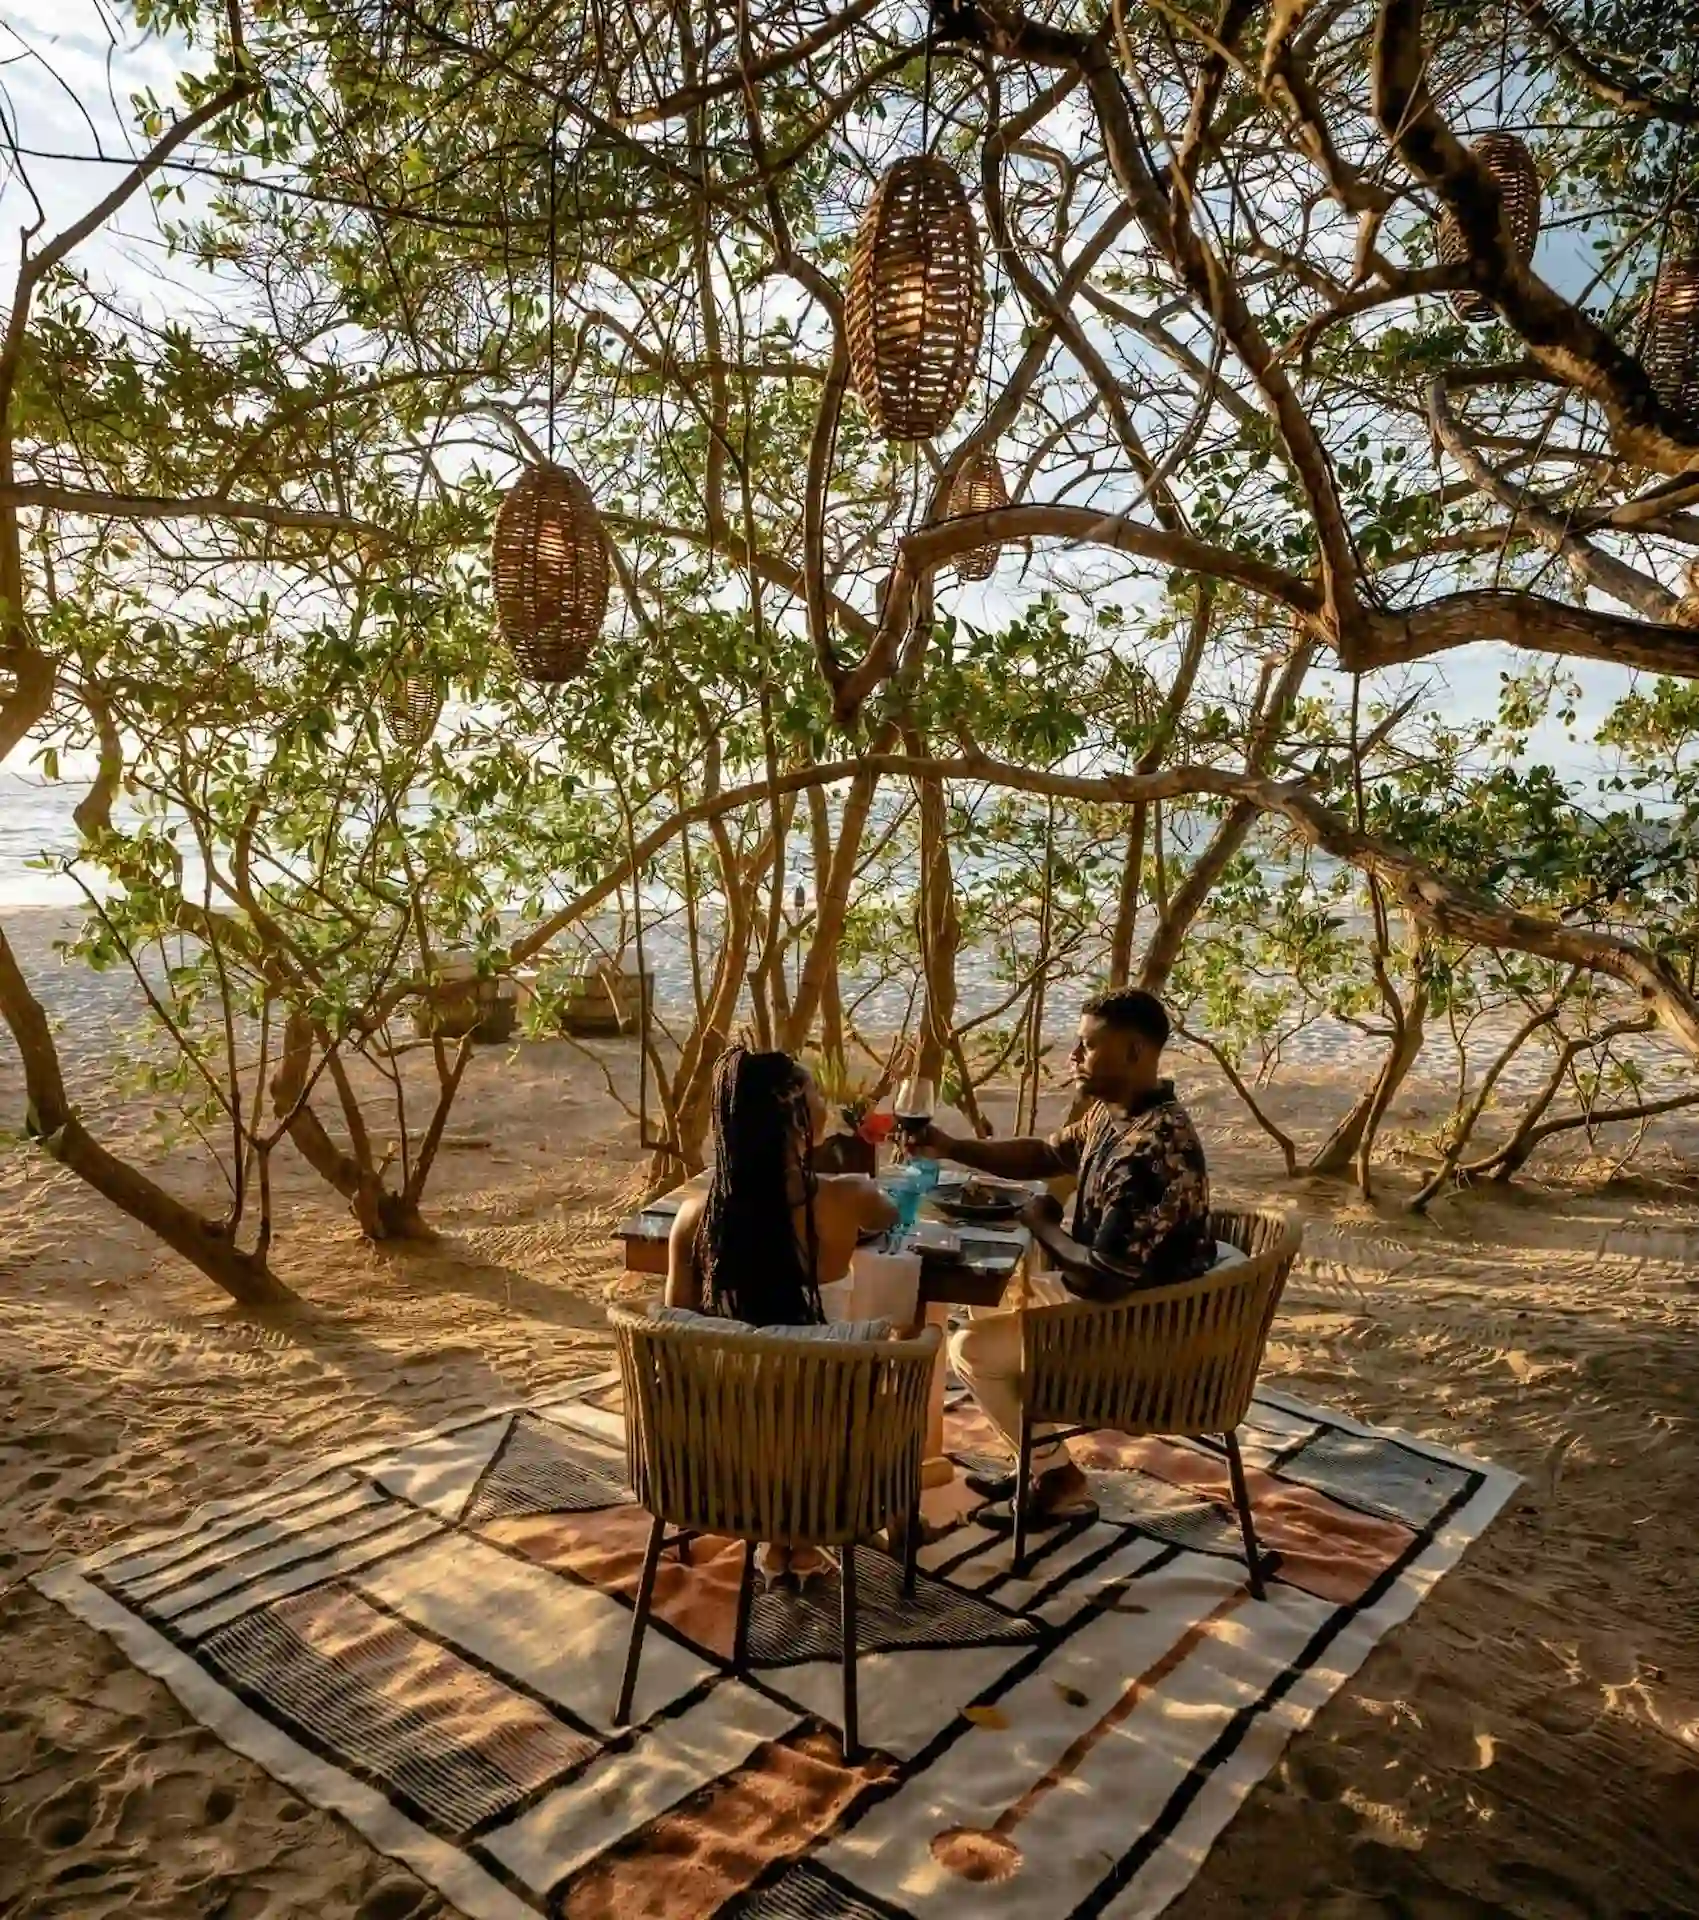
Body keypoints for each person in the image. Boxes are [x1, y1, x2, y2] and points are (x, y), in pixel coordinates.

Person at [902, 987, 1211, 1529]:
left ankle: (1057, 1476)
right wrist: (952, 1147)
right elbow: (1045, 1154)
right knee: (988, 1304)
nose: (1073, 1057)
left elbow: (1101, 1278)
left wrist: (1041, 1221)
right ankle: (1039, 1461)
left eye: (1088, 1046)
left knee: (971, 1349)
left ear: (1136, 1052)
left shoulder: (1153, 1150)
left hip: (1138, 1328)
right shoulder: (1117, 1117)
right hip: (1119, 1299)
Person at [667, 1045, 898, 1584]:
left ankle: (781, 1539)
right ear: (797, 1112)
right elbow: (892, 1215)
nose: (824, 1102)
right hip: (826, 1438)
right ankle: (814, 1528)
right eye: (816, 1091)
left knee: (767, 1382)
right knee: (850, 1377)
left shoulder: (695, 1217)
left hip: (725, 1440)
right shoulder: (849, 1197)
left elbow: (676, 1331)